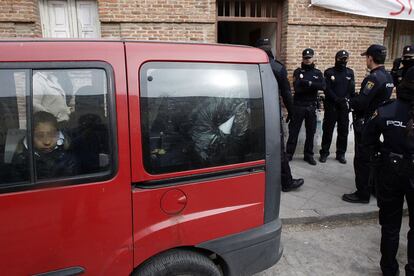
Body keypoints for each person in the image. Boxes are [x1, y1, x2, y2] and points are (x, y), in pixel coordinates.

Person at [362, 67, 414, 276]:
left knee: (390, 226)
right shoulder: (387, 109)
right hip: (398, 171)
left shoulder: (387, 110)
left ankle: (389, 270)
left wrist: (378, 159)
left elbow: (367, 138)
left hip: (390, 171)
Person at [342, 44, 394, 204]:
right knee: (373, 157)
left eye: (366, 57)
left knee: (362, 159)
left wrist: (349, 101)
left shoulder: (373, 78)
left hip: (367, 123)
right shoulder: (388, 76)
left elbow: (362, 102)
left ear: (371, 58)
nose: (366, 60)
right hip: (378, 121)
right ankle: (373, 188)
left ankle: (362, 193)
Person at [255, 38, 304, 192]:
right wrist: (291, 112)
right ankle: (286, 182)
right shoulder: (277, 67)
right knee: (278, 148)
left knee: (256, 147)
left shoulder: (250, 66)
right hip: (271, 114)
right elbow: (287, 93)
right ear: (270, 49)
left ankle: (258, 181)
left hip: (252, 114)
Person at [286, 48, 326, 165]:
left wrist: (308, 83)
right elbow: (298, 89)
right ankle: (289, 154)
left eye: (309, 57)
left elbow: (323, 86)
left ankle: (308, 155)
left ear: (313, 58)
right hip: (298, 106)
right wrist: (314, 86)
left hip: (311, 106)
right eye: (305, 58)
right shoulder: (298, 72)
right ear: (302, 58)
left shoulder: (317, 73)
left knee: (311, 132)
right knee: (294, 131)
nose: (307, 60)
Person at [12, 111, 78, 180]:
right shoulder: (20, 160)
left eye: (52, 134)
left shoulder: (68, 156)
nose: (47, 142)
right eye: (40, 136)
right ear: (30, 136)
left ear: (58, 134)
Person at [319, 50, 355, 164]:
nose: (343, 61)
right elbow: (327, 88)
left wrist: (345, 100)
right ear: (336, 59)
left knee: (343, 131)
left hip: (344, 106)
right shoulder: (329, 72)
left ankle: (341, 154)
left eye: (345, 59)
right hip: (332, 106)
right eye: (341, 59)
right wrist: (336, 99)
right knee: (328, 130)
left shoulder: (350, 73)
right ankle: (324, 153)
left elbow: (351, 90)